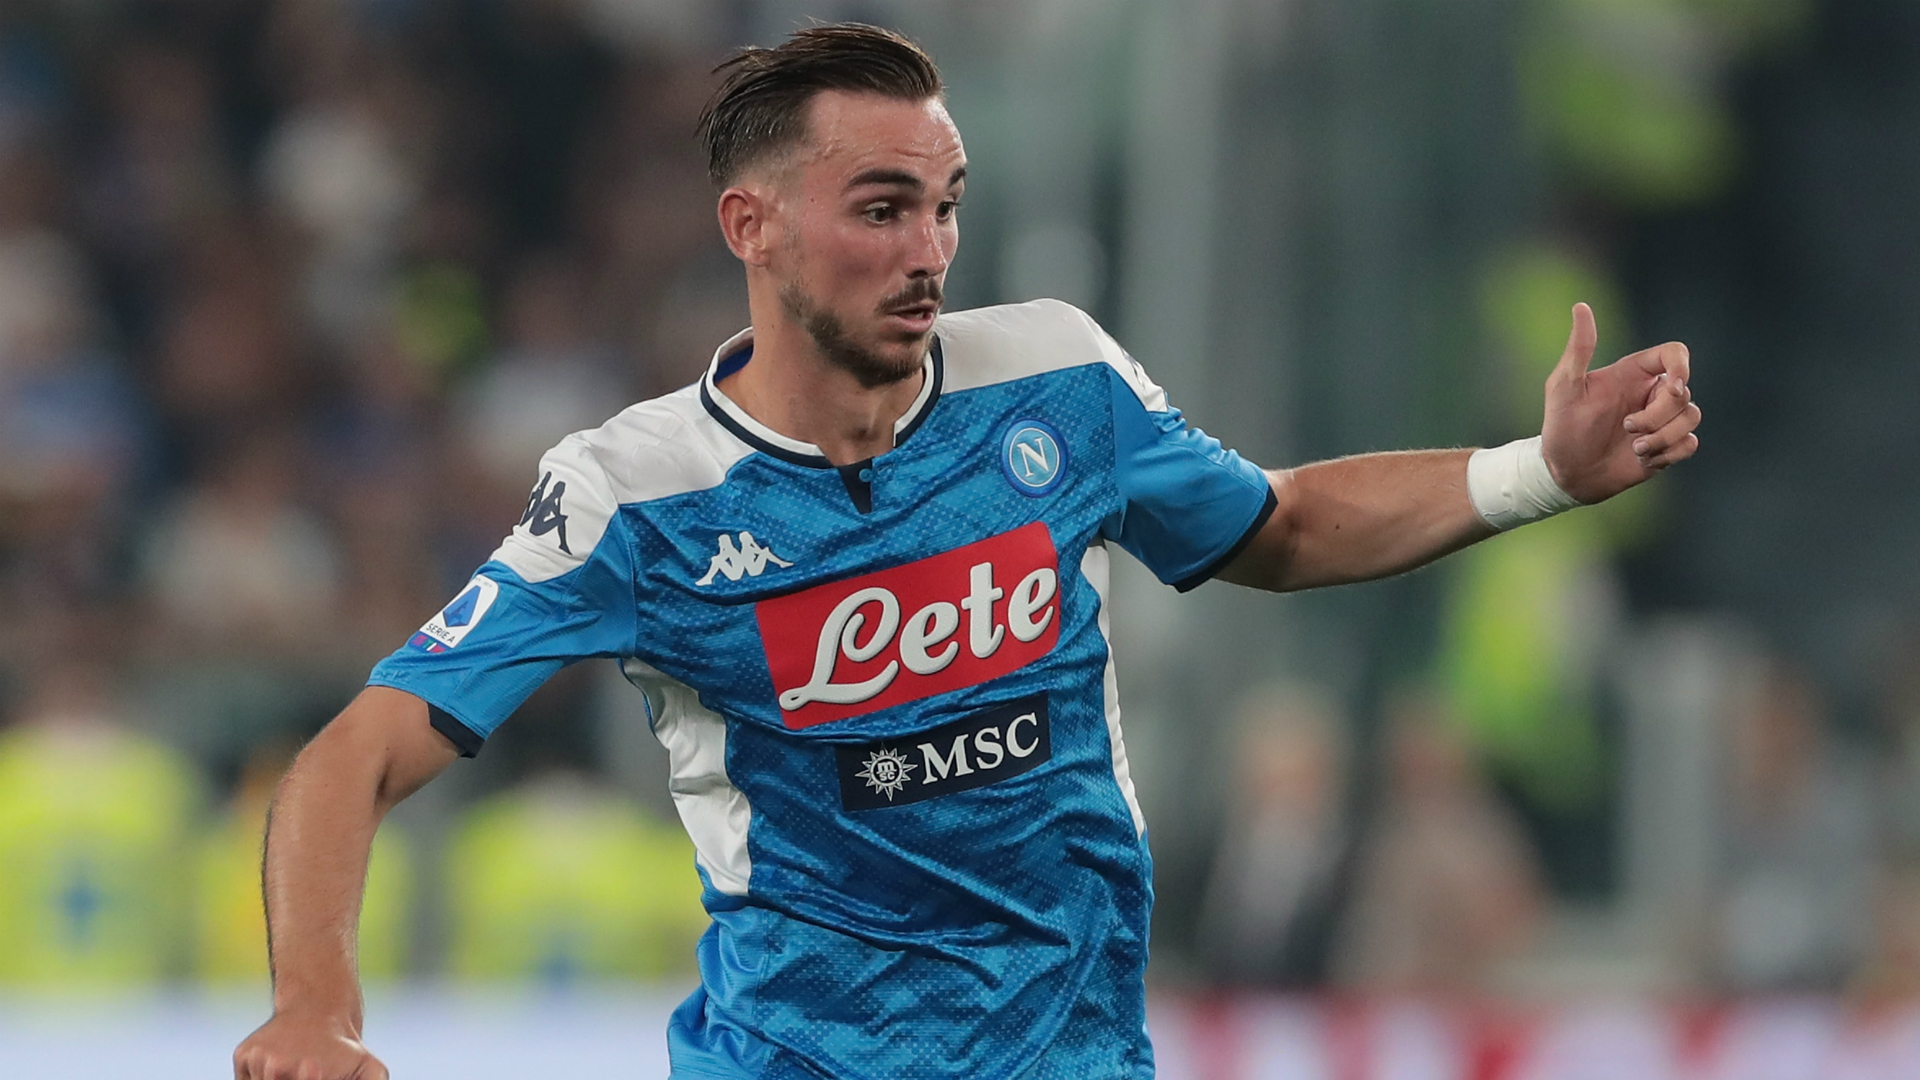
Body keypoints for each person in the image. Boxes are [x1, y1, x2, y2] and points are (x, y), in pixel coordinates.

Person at [233, 23, 1702, 1080]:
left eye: (945, 207)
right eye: (882, 209)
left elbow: (1282, 523)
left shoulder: (1056, 380)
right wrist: (316, 1006)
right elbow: (353, 756)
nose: (929, 250)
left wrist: (1537, 473)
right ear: (753, 225)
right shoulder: (636, 495)